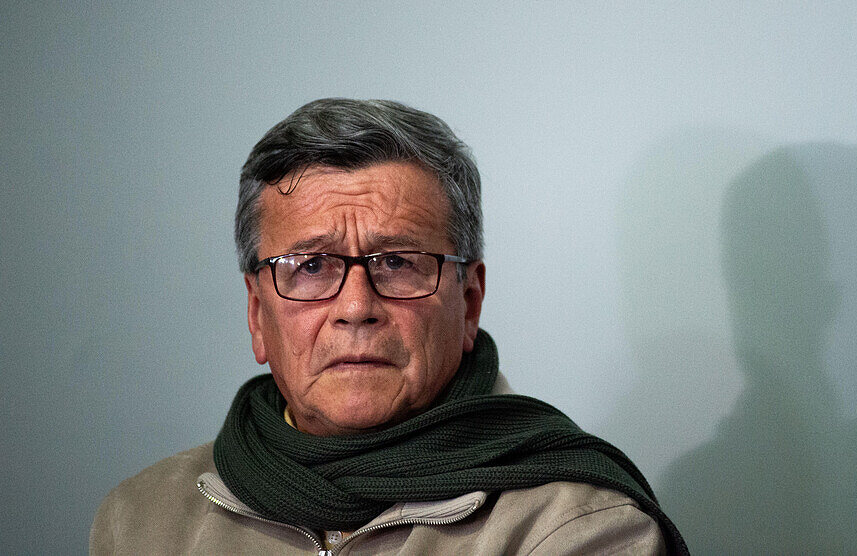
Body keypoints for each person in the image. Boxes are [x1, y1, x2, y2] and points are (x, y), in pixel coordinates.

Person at [91, 98, 684, 555]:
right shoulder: (139, 523)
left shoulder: (578, 530)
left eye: (397, 262)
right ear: (257, 314)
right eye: (311, 266)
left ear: (469, 301)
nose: (356, 307)